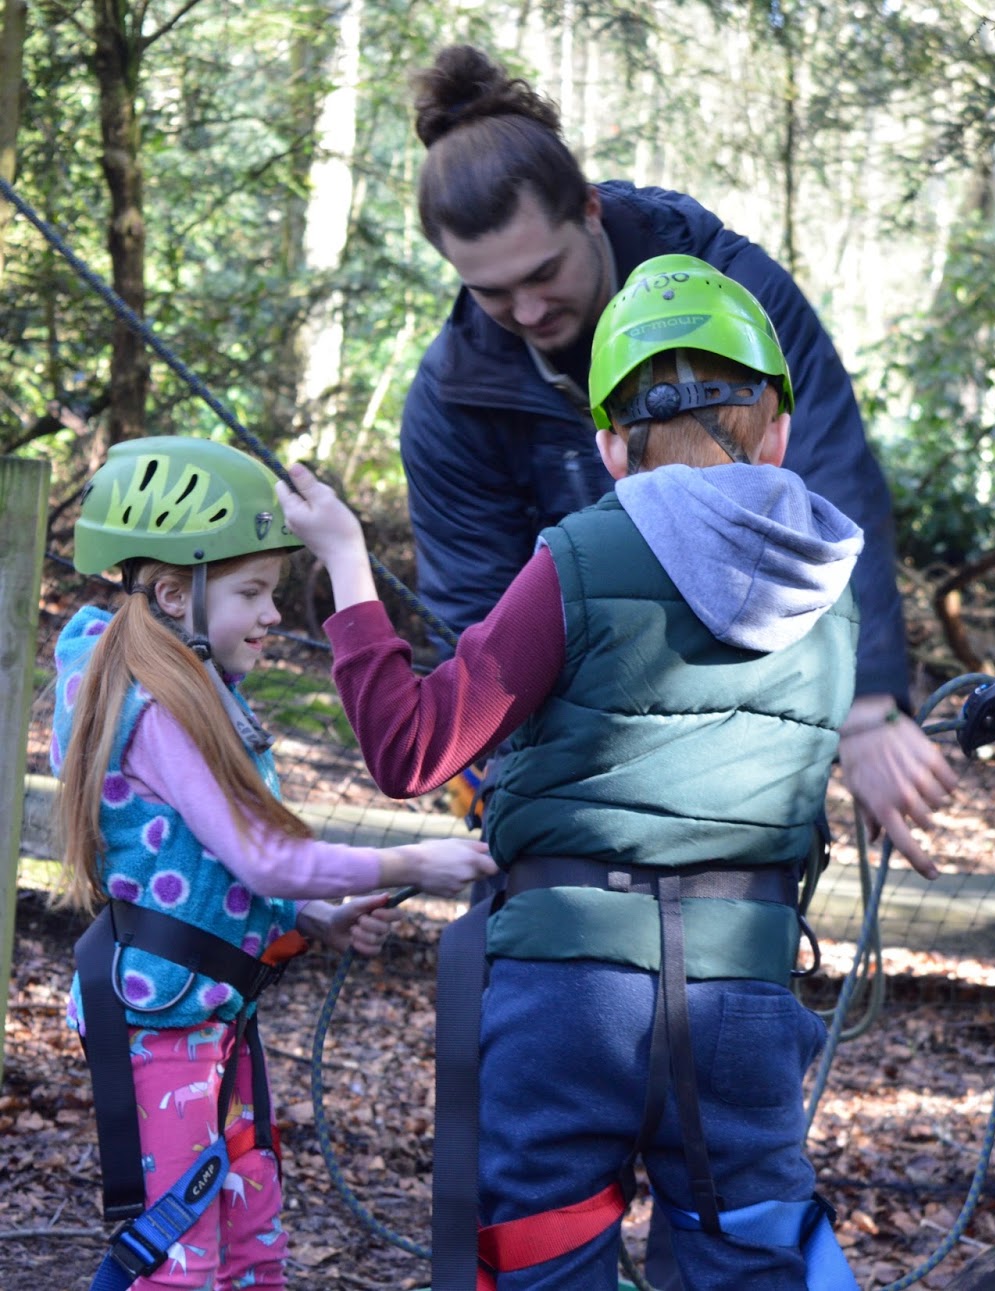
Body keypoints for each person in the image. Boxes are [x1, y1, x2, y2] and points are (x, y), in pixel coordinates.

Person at [278, 257, 874, 1290]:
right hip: (742, 989)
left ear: (608, 445)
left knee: (545, 1257)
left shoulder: (585, 551)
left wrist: (344, 561)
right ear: (776, 427)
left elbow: (411, 748)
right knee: (754, 1251)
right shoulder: (835, 590)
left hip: (568, 993)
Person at [401, 43, 956, 873]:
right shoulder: (454, 396)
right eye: (490, 291)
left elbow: (828, 472)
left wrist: (867, 703)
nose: (525, 308)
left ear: (588, 209)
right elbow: (473, 609)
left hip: (749, 719)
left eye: (543, 272)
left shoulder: (732, 294)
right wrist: (507, 797)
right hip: (569, 748)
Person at [52, 436, 497, 1291]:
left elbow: (204, 858)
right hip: (163, 1033)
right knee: (180, 1255)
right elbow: (263, 855)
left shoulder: (187, 685)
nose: (272, 615)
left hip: (210, 1019)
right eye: (253, 592)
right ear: (177, 593)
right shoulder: (157, 705)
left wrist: (314, 917)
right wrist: (414, 858)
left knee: (251, 1240)